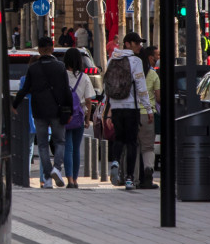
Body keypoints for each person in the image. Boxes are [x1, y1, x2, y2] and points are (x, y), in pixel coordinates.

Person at [12, 35, 71, 188]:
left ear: (39, 50)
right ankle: (57, 169)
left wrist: (15, 104)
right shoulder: (60, 67)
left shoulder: (33, 68)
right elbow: (66, 91)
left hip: (39, 111)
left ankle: (47, 178)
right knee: (60, 141)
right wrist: (69, 110)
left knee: (43, 145)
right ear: (52, 48)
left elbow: (25, 89)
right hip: (58, 111)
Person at [101, 32, 150, 191]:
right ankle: (129, 178)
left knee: (119, 139)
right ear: (127, 43)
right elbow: (141, 87)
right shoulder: (135, 61)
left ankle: (115, 161)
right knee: (132, 142)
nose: (140, 46)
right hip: (131, 107)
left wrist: (106, 110)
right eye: (137, 43)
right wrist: (148, 108)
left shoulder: (112, 60)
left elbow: (107, 87)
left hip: (116, 107)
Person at [60, 48, 93, 189]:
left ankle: (69, 180)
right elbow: (89, 100)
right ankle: (75, 179)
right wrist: (87, 119)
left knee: (67, 147)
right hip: (79, 115)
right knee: (76, 148)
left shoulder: (61, 76)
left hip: (65, 115)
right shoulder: (84, 77)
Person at [137, 45, 160, 189]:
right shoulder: (153, 75)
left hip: (133, 112)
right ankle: (148, 171)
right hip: (148, 114)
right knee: (148, 147)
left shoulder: (135, 74)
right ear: (149, 58)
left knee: (135, 146)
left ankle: (132, 178)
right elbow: (158, 98)